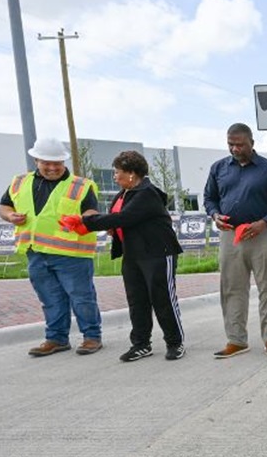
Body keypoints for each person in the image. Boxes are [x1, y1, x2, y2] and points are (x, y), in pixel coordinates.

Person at [0, 137, 103, 357]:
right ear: (37, 160)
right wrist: (10, 215)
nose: (53, 167)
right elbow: (4, 205)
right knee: (50, 298)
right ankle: (56, 338)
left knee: (81, 296)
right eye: (47, 163)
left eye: (57, 163)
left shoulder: (80, 186)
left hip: (71, 254)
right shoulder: (19, 182)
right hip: (36, 252)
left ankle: (91, 337)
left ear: (64, 162)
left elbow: (91, 212)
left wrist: (83, 220)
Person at [76, 151, 185, 361]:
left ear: (132, 174)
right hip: (133, 254)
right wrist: (110, 228)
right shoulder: (123, 193)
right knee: (137, 300)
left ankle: (175, 342)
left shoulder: (147, 193)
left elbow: (124, 217)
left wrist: (86, 222)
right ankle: (141, 344)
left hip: (157, 253)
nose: (115, 177)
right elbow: (118, 220)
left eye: (117, 172)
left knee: (163, 299)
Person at [202, 123, 267, 359]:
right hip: (230, 236)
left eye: (239, 144)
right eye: (230, 144)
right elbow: (209, 198)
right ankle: (236, 340)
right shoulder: (218, 168)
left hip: (260, 234)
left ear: (252, 142)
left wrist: (265, 222)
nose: (234, 148)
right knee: (232, 288)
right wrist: (214, 215)